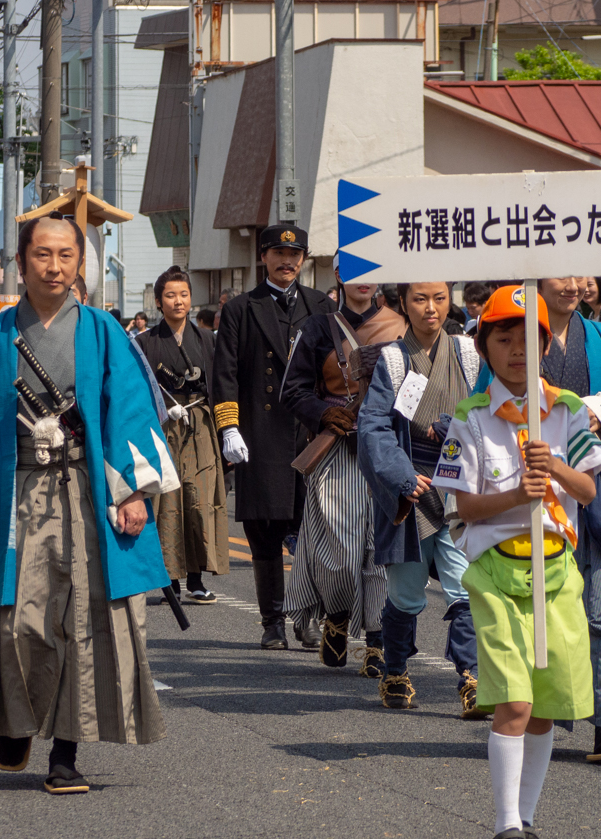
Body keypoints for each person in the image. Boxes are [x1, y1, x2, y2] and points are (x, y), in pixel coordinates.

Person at [0, 213, 178, 794]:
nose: (55, 265)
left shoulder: (102, 331)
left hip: (88, 492)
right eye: (43, 254)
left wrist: (134, 490)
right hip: (19, 494)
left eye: (66, 255)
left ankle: (66, 750)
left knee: (86, 619)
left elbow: (130, 410)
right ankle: (16, 723)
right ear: (21, 262)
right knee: (20, 617)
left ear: (79, 264)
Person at [433, 286, 601, 839]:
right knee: (511, 701)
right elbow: (462, 507)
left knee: (545, 708)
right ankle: (506, 828)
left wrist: (554, 467)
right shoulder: (470, 417)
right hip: (495, 572)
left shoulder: (568, 410)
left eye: (527, 339)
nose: (515, 351)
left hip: (557, 572)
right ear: (484, 347)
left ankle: (527, 821)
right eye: (502, 339)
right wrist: (517, 493)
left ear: (545, 344)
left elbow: (588, 491)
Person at [500, 277, 601, 765]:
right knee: (537, 613)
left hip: (594, 488)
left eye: (579, 273)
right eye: (559, 274)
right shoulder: (511, 337)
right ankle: (530, 709)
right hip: (538, 496)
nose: (572, 284)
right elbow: (490, 405)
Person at [357, 282, 485, 714]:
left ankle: (471, 677)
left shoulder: (469, 352)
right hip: (411, 490)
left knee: (466, 585)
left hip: (459, 487)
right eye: (419, 300)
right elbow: (373, 426)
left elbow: (487, 408)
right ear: (403, 305)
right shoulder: (392, 359)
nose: (431, 309)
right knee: (407, 593)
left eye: (439, 299)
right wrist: (400, 475)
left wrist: (455, 425)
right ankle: (395, 670)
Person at [212, 224, 336, 649]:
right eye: (279, 254)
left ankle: (305, 617)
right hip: (259, 434)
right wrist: (228, 425)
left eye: (296, 254)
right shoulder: (242, 309)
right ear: (263, 256)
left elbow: (333, 372)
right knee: (264, 532)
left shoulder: (321, 305)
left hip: (309, 433)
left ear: (304, 258)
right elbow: (224, 373)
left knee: (312, 530)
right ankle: (272, 623)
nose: (288, 261)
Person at [280, 281, 406, 673]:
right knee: (339, 550)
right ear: (339, 276)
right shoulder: (317, 327)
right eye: (353, 269)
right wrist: (322, 413)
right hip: (338, 445)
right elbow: (293, 389)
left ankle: (376, 642)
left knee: (381, 550)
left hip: (388, 445)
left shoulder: (402, 326)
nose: (363, 279)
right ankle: (335, 613)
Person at [136, 266, 229, 603]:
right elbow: (137, 389)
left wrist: (227, 431)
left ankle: (196, 578)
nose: (178, 301)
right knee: (166, 501)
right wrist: (161, 410)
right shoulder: (145, 341)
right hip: (162, 426)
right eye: (171, 295)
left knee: (199, 498)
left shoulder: (206, 339)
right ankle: (169, 580)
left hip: (200, 424)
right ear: (159, 302)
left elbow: (220, 384)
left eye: (184, 295)